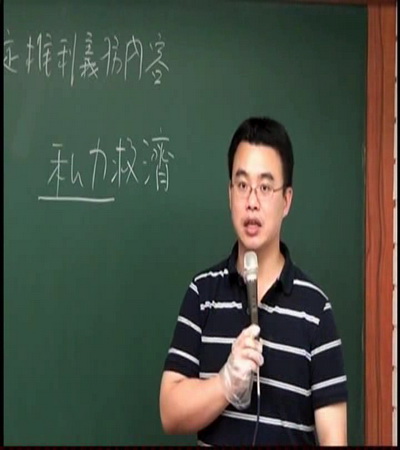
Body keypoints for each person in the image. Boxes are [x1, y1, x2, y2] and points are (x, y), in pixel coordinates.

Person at [159, 117, 348, 445]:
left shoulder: (316, 311)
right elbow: (170, 413)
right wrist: (225, 382)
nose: (252, 202)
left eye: (265, 187)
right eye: (242, 185)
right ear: (230, 193)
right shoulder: (202, 294)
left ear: (286, 200)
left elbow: (335, 438)